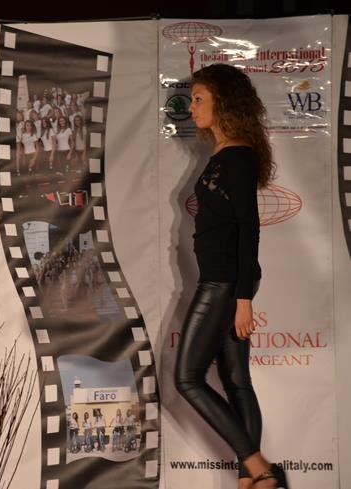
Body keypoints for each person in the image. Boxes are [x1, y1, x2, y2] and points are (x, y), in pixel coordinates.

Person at [174, 64, 288, 489]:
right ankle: (249, 480)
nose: (191, 107)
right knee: (236, 382)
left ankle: (258, 468)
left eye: (199, 98)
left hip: (224, 283)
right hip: (227, 280)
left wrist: (242, 300)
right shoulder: (226, 154)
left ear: (223, 102)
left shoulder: (237, 157)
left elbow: (249, 228)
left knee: (187, 378)